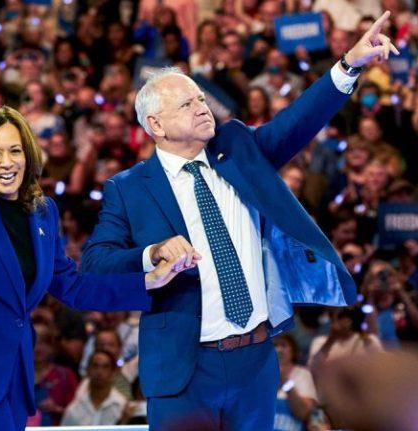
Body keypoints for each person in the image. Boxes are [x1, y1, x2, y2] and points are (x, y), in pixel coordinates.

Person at [81, 11, 398, 431]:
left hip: (255, 361)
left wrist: (348, 65)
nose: (202, 108)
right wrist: (151, 254)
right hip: (183, 369)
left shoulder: (236, 146)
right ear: (155, 124)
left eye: (201, 99)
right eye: (187, 104)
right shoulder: (128, 188)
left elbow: (295, 124)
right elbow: (95, 264)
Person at [0, 106, 194, 431]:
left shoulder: (42, 212)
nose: (6, 162)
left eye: (15, 151)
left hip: (14, 373)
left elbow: (73, 286)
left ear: (28, 155)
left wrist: (148, 281)